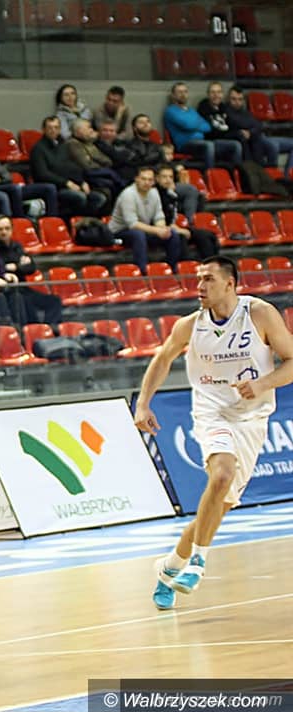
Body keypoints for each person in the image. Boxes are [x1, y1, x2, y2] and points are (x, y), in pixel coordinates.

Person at [135, 256, 293, 610]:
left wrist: (263, 383)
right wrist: (143, 404)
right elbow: (163, 359)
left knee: (219, 506)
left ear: (230, 283)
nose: (200, 286)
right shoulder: (190, 325)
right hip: (211, 412)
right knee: (221, 475)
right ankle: (197, 562)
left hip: (252, 418)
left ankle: (168, 568)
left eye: (208, 279)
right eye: (198, 279)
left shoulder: (259, 314)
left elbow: (292, 361)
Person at [0, 123, 58, 218]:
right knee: (14, 188)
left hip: (3, 186)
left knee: (49, 188)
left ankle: (53, 220)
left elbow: (7, 176)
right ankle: (20, 219)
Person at [0, 215, 63, 326]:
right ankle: (34, 330)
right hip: (10, 291)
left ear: (12, 229)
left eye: (7, 228)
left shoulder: (17, 246)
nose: (4, 232)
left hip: (25, 288)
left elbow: (31, 267)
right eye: (0, 229)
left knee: (54, 301)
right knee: (26, 304)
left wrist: (15, 267)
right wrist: (19, 265)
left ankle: (49, 329)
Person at [108, 166, 182, 273]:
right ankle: (143, 272)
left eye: (150, 180)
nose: (147, 182)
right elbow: (132, 224)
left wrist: (162, 229)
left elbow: (158, 216)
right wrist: (157, 230)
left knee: (172, 234)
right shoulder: (128, 195)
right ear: (136, 179)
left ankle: (172, 270)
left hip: (143, 229)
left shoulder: (154, 193)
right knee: (138, 235)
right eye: (143, 179)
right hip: (119, 232)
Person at [29, 116, 105, 218]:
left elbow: (73, 167)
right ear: (43, 130)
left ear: (60, 129)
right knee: (80, 197)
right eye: (50, 128)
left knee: (99, 198)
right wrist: (66, 183)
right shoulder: (38, 149)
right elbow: (42, 174)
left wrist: (81, 181)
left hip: (71, 184)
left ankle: (86, 221)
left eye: (56, 127)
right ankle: (76, 222)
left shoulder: (63, 145)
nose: (53, 130)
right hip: (55, 187)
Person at [164, 82, 238, 169]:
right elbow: (188, 125)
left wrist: (193, 124)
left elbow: (207, 127)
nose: (183, 94)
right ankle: (210, 174)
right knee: (209, 145)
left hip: (201, 142)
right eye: (179, 92)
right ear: (173, 95)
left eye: (185, 92)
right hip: (185, 145)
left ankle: (237, 173)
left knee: (235, 145)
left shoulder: (191, 111)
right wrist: (197, 123)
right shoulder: (170, 111)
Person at [227, 86, 293, 174]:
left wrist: (250, 131)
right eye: (234, 99)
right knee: (273, 146)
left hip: (259, 136)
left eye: (240, 99)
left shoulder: (245, 112)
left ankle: (287, 176)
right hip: (255, 139)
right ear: (228, 99)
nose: (237, 102)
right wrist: (252, 128)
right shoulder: (227, 112)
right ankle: (271, 174)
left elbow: (259, 125)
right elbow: (240, 123)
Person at [155, 164, 216, 260]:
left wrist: (177, 228)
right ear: (157, 179)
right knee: (180, 236)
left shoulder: (171, 194)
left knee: (206, 235)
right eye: (164, 177)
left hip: (171, 227)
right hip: (157, 230)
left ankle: (211, 263)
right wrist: (177, 230)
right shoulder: (154, 194)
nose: (168, 180)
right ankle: (186, 266)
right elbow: (157, 222)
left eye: (170, 177)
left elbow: (171, 219)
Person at [196, 81, 248, 166]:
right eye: (213, 92)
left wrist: (240, 131)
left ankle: (247, 169)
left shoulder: (224, 108)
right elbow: (211, 131)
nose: (216, 95)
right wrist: (233, 133)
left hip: (225, 138)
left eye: (219, 92)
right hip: (212, 141)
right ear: (208, 94)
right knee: (236, 145)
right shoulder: (203, 107)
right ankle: (239, 171)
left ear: (222, 94)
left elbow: (232, 124)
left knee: (244, 138)